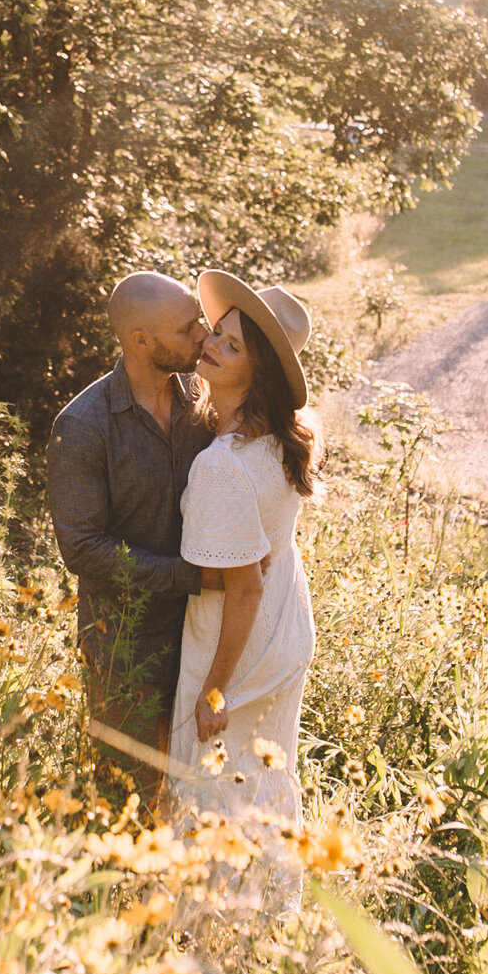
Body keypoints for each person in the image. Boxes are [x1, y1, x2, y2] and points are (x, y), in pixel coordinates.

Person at [169, 271, 317, 880]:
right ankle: (270, 914)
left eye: (231, 347)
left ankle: (210, 928)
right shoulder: (283, 438)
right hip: (285, 625)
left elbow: (244, 584)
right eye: (218, 332)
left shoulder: (220, 465)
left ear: (255, 374)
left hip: (240, 639)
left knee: (207, 779)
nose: (210, 344)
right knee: (265, 776)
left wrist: (214, 690)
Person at [47, 272, 216, 803]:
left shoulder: (207, 400)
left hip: (206, 640)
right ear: (141, 340)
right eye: (189, 327)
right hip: (125, 648)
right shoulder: (84, 426)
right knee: (126, 803)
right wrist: (189, 577)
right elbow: (83, 546)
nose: (203, 336)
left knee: (200, 798)